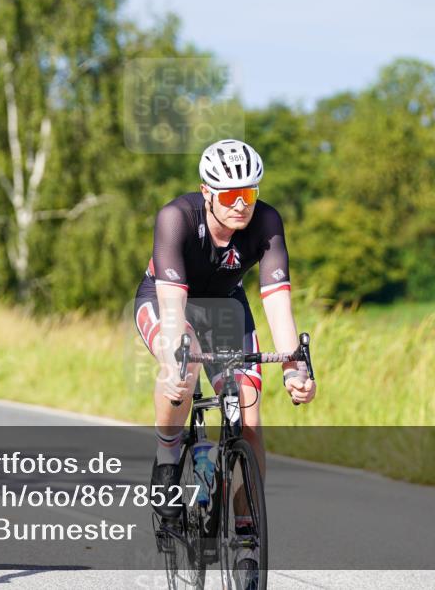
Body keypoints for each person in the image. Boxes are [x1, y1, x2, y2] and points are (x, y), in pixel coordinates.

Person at [133, 139, 316, 582]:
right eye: (230, 195)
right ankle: (167, 455)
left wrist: (295, 364)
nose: (240, 205)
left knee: (249, 412)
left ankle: (247, 530)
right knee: (184, 363)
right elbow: (174, 311)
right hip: (168, 301)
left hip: (227, 307)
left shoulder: (267, 222)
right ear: (206, 190)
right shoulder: (177, 217)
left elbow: (276, 301)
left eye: (248, 194)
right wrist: (176, 363)